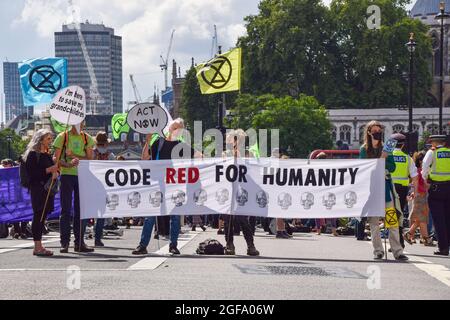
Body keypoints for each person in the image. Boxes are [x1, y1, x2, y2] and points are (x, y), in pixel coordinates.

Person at [133, 118, 200, 255]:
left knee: (175, 217)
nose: (177, 131)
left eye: (180, 129)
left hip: (175, 187)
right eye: (175, 128)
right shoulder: (159, 142)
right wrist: (147, 142)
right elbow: (145, 158)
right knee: (150, 216)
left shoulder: (182, 146)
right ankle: (142, 245)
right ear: (169, 128)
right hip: (158, 185)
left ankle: (173, 245)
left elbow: (199, 156)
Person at [360, 120, 408, 261]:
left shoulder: (387, 148)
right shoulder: (364, 149)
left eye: (379, 131)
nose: (377, 133)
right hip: (372, 190)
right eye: (374, 131)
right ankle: (378, 250)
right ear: (369, 132)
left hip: (386, 189)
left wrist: (384, 161)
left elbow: (392, 167)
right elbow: (363, 167)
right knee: (374, 223)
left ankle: (397, 251)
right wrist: (379, 162)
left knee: (392, 221)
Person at [53, 122, 95, 253]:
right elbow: (56, 158)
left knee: (80, 211)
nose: (80, 125)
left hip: (82, 176)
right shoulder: (62, 136)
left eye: (82, 122)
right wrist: (68, 164)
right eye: (77, 122)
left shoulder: (87, 138)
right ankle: (64, 243)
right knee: (65, 210)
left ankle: (79, 243)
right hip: (66, 176)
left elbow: (89, 158)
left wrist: (74, 157)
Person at [222, 129, 260, 256]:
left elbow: (254, 169)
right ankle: (229, 244)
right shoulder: (226, 153)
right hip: (228, 189)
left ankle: (251, 245)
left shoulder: (248, 154)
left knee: (243, 219)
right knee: (228, 219)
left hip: (243, 191)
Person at [23, 129, 59, 256]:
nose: (50, 141)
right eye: (48, 139)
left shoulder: (46, 154)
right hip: (38, 189)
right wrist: (50, 170)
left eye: (50, 138)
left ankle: (39, 246)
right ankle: (37, 247)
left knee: (42, 218)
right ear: (41, 139)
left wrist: (55, 172)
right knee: (38, 216)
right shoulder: (33, 154)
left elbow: (51, 171)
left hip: (47, 190)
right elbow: (33, 174)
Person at [422, 135, 450, 256]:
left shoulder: (432, 153)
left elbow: (424, 167)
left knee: (439, 220)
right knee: (448, 218)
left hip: (437, 188)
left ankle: (443, 248)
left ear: (433, 142)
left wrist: (426, 179)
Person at [390, 133, 418, 248]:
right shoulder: (407, 158)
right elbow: (415, 178)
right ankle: (399, 242)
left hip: (389, 188)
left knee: (390, 214)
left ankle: (395, 242)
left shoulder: (388, 156)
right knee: (399, 214)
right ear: (402, 145)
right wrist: (415, 193)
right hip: (402, 190)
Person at [404, 151, 434, 247]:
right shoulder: (422, 171)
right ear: (421, 161)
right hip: (421, 195)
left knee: (420, 218)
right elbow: (424, 185)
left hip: (420, 195)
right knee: (422, 218)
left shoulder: (418, 170)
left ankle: (414, 235)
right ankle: (424, 238)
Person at [92, 131, 116, 247]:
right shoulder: (110, 156)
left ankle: (80, 238)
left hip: (90, 186)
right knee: (101, 214)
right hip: (104, 187)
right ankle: (97, 238)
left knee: (87, 212)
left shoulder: (91, 154)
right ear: (106, 143)